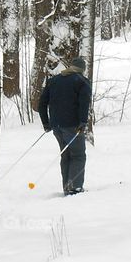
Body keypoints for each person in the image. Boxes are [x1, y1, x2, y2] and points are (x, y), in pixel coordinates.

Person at [37, 56, 91, 195]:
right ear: (82, 69)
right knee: (78, 155)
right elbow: (84, 104)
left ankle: (67, 187)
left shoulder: (54, 80)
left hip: (56, 126)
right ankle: (75, 188)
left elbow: (42, 103)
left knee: (66, 155)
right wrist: (83, 122)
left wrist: (46, 123)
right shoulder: (81, 82)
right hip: (72, 126)